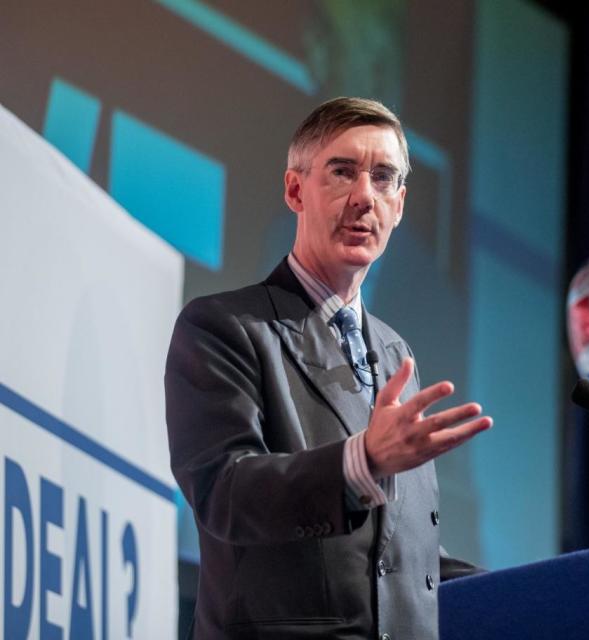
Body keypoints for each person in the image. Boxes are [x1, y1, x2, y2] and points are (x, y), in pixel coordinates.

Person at [165, 97, 492, 639]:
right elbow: (222, 492)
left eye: (384, 178)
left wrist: (537, 592)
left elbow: (397, 553)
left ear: (401, 204)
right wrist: (360, 461)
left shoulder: (393, 351)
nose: (365, 197)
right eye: (343, 172)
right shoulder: (224, 327)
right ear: (295, 190)